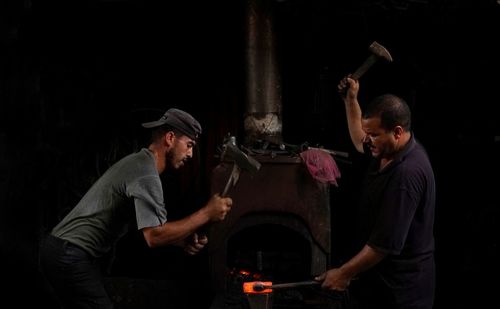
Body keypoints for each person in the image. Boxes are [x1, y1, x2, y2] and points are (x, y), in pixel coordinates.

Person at [38, 108, 233, 308]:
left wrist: (180, 240)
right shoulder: (145, 173)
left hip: (64, 251)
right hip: (68, 253)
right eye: (189, 145)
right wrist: (207, 213)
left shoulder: (141, 163)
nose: (191, 154)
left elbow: (146, 228)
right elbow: (154, 236)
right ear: (170, 138)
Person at [315, 76, 436, 309]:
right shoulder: (385, 149)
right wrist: (351, 100)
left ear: (397, 132)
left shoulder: (407, 175)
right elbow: (361, 138)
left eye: (374, 135)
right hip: (379, 286)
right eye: (367, 132)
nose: (367, 140)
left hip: (402, 294)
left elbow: (382, 246)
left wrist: (342, 274)